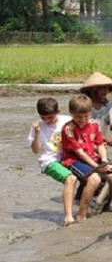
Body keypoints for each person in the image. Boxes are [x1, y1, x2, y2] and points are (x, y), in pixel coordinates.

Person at [61, 93, 112, 221]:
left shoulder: (94, 125)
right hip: (74, 160)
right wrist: (96, 167)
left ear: (90, 113)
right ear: (71, 113)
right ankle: (81, 213)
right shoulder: (68, 129)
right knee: (95, 179)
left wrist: (104, 160)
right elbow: (80, 153)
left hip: (93, 156)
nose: (83, 120)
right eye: (78, 117)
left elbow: (100, 144)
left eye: (86, 116)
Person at [28, 97, 79, 226]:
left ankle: (83, 210)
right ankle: (68, 217)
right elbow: (35, 150)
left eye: (50, 118)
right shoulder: (37, 127)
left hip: (68, 157)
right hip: (48, 161)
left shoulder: (68, 121)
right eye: (43, 118)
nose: (47, 121)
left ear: (58, 112)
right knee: (71, 179)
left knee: (92, 175)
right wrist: (37, 133)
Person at [79, 71, 112, 147]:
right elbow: (84, 129)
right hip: (84, 144)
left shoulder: (111, 106)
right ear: (94, 89)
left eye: (108, 89)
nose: (106, 92)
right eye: (103, 88)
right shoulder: (82, 104)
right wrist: (105, 138)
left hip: (100, 145)